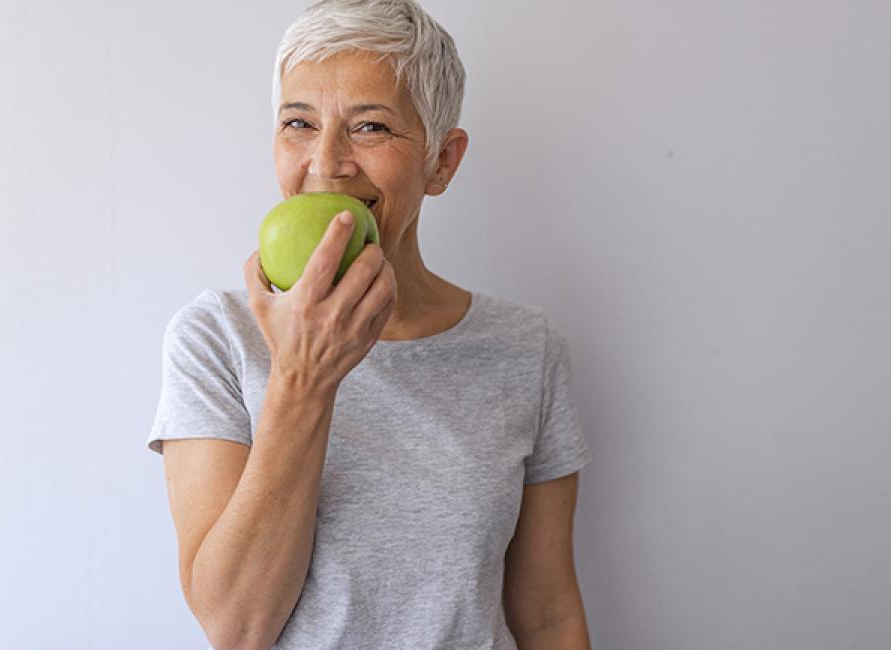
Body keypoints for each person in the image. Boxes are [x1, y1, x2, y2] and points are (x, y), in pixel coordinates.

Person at [146, 1, 593, 647]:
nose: (327, 162)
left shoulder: (526, 349)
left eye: (371, 127)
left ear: (442, 160)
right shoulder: (216, 337)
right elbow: (236, 625)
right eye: (298, 122)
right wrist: (304, 379)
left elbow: (549, 614)